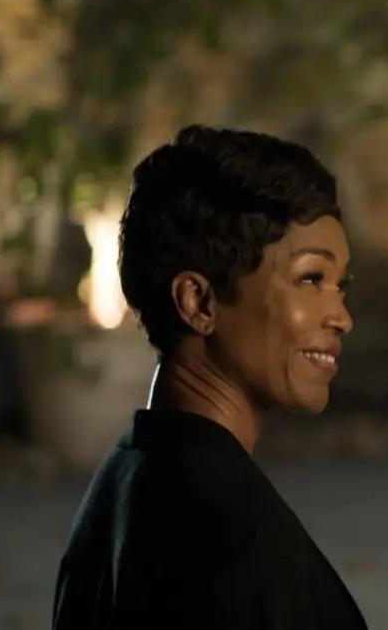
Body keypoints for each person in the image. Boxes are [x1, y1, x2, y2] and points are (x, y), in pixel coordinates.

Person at [52, 125, 366, 630]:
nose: (342, 317)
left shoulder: (124, 481)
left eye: (340, 286)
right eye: (311, 279)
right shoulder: (240, 545)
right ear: (198, 302)